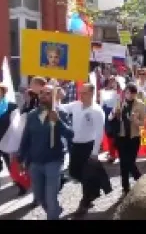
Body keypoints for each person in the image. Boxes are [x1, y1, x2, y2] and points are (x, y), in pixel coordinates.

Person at [18, 85, 74, 219]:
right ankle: (55, 210)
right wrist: (21, 158)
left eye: (47, 93)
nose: (43, 95)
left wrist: (58, 121)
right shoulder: (32, 115)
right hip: (35, 162)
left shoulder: (61, 113)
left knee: (51, 197)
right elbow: (26, 138)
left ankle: (53, 214)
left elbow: (70, 134)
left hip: (53, 161)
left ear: (53, 96)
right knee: (40, 197)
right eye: (41, 93)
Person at [58, 83, 110, 217]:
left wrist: (94, 153)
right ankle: (93, 189)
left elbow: (99, 133)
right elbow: (60, 108)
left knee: (87, 175)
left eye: (84, 93)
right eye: (80, 92)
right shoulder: (76, 105)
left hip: (88, 146)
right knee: (74, 172)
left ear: (92, 94)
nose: (81, 95)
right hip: (75, 145)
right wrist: (55, 95)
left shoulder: (97, 111)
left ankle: (85, 202)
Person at [108, 83, 146, 194]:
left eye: (132, 93)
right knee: (123, 163)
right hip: (121, 137)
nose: (129, 95)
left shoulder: (141, 104)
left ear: (135, 94)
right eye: (128, 92)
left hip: (134, 137)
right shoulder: (119, 102)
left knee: (130, 161)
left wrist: (135, 120)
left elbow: (143, 123)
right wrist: (114, 113)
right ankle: (126, 186)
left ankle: (139, 179)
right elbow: (110, 118)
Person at [100, 76, 122, 163]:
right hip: (107, 115)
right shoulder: (103, 92)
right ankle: (112, 155)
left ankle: (119, 154)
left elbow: (122, 103)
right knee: (109, 135)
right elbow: (101, 104)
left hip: (117, 115)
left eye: (114, 81)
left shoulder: (120, 92)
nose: (112, 83)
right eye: (110, 81)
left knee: (117, 136)